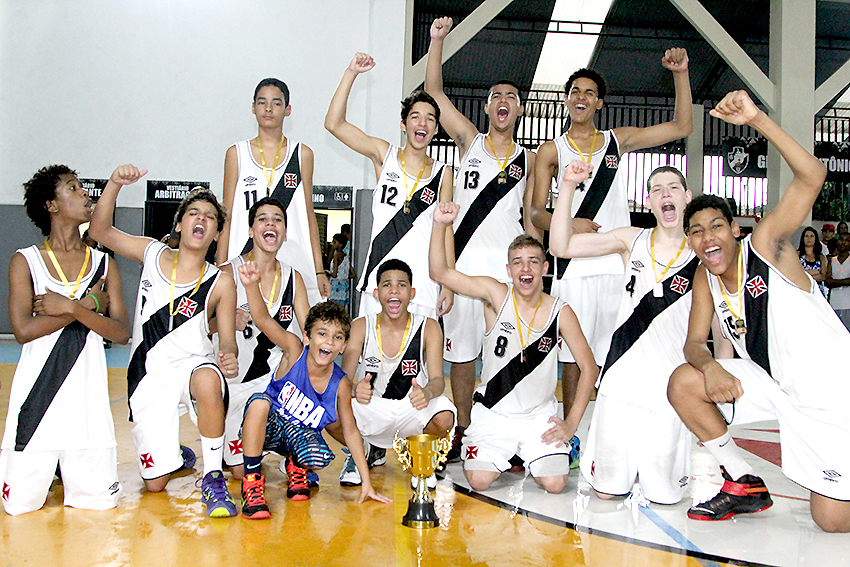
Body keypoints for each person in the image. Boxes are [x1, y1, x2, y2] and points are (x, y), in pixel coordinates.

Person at [668, 90, 850, 532]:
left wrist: (756, 120)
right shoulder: (704, 278)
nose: (707, 237)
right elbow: (693, 343)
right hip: (775, 386)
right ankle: (743, 481)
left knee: (831, 521)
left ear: (735, 229)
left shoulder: (766, 247)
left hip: (831, 392)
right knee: (684, 382)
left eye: (716, 226)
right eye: (696, 231)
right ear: (690, 241)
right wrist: (710, 366)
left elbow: (813, 175)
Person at [531, 49, 693, 420]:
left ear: (599, 102)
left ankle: (612, 424)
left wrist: (681, 74)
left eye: (589, 92)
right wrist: (570, 222)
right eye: (575, 91)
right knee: (573, 355)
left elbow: (682, 127)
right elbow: (536, 212)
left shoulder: (617, 140)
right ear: (567, 99)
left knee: (616, 350)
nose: (581, 97)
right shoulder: (551, 150)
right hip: (572, 262)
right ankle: (572, 434)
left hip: (618, 264)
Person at [89, 166, 241, 518]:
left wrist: (229, 355)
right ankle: (172, 455)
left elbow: (228, 339)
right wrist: (114, 184)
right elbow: (99, 230)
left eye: (209, 217)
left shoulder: (221, 282)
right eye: (193, 213)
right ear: (179, 224)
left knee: (208, 379)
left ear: (217, 233)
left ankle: (213, 475)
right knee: (155, 484)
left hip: (193, 366)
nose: (201, 219)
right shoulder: (152, 253)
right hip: (150, 375)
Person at [549, 160, 701, 504]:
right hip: (622, 378)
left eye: (673, 188)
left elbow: (718, 328)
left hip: (670, 385)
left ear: (687, 197)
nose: (665, 194)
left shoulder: (701, 251)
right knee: (607, 492)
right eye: (657, 189)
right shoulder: (631, 240)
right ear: (648, 202)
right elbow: (560, 247)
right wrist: (568, 187)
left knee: (664, 496)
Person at [426, 17, 543, 460]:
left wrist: (535, 271)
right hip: (463, 267)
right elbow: (434, 91)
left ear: (519, 109)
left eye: (511, 97)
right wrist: (437, 41)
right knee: (460, 354)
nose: (503, 101)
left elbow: (531, 220)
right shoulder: (469, 141)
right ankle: (462, 427)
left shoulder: (529, 159)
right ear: (487, 107)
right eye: (496, 96)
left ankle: (499, 426)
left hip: (507, 271)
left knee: (503, 350)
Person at [429, 202, 598, 493]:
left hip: (538, 416)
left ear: (545, 268)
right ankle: (509, 452)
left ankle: (527, 452)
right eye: (518, 262)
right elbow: (440, 272)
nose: (525, 268)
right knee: (480, 480)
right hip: (494, 415)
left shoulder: (560, 311)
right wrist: (439, 224)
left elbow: (589, 368)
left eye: (533, 261)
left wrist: (571, 424)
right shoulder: (496, 294)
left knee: (555, 484)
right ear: (508, 270)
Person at [0, 165, 130, 515]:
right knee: (19, 509)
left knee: (98, 510)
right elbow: (23, 330)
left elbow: (121, 332)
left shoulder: (104, 264)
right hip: (36, 405)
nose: (85, 193)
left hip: (87, 412)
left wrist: (72, 307)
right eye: (73, 188)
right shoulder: (25, 260)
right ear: (51, 205)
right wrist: (89, 305)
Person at [235, 275, 391, 518]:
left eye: (337, 337)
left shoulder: (340, 383)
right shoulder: (294, 350)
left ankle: (296, 465)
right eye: (322, 334)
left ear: (343, 346)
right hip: (268, 426)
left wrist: (367, 482)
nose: (329, 341)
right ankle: (252, 482)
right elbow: (263, 319)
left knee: (318, 456)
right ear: (307, 337)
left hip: (297, 435)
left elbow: (350, 430)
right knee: (259, 402)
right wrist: (250, 285)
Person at [325, 52, 454, 319]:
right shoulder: (384, 155)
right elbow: (334, 124)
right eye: (415, 116)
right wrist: (351, 73)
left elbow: (446, 232)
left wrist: (449, 283)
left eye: (430, 118)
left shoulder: (443, 173)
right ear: (403, 124)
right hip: (379, 280)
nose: (422, 123)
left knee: (418, 348)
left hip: (422, 286)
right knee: (371, 346)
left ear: (436, 129)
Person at [339, 259, 455, 489]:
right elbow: (342, 380)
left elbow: (438, 381)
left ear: (412, 293)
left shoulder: (429, 326)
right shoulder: (360, 326)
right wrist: (354, 389)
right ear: (376, 294)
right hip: (372, 406)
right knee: (332, 406)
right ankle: (362, 449)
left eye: (401, 285)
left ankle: (420, 455)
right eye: (387, 285)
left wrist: (427, 392)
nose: (394, 290)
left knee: (444, 414)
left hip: (411, 407)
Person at [218, 197, 310, 478]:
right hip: (234, 379)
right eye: (263, 219)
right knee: (238, 470)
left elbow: (310, 334)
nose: (271, 224)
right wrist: (221, 320)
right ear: (250, 230)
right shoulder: (227, 273)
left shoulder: (294, 278)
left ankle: (287, 442)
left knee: (299, 353)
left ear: (284, 232)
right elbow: (199, 324)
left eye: (277, 220)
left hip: (272, 380)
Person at [219, 78, 329, 305]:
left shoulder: (302, 154)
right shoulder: (236, 153)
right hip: (244, 257)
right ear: (253, 108)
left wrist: (319, 270)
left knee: (299, 322)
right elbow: (226, 215)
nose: (268, 108)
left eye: (276, 103)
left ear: (287, 110)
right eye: (262, 102)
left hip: (293, 256)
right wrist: (220, 266)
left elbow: (308, 213)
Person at [826, 232, 850, 330]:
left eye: (847, 240)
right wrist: (844, 282)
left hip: (848, 304)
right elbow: (828, 282)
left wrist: (835, 282)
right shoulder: (832, 261)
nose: (843, 243)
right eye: (841, 239)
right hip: (834, 304)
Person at [798, 226, 827, 298]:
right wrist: (816, 272)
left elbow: (823, 276)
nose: (809, 238)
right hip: (802, 292)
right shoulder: (797, 255)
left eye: (811, 236)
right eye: (806, 236)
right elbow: (797, 274)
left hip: (818, 293)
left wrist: (805, 273)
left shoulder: (821, 257)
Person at [329, 233, 353, 308]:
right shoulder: (346, 256)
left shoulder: (336, 256)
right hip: (344, 286)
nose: (332, 244)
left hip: (335, 286)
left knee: (333, 308)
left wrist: (327, 272)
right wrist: (343, 276)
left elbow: (334, 274)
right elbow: (353, 274)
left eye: (334, 242)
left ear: (340, 245)